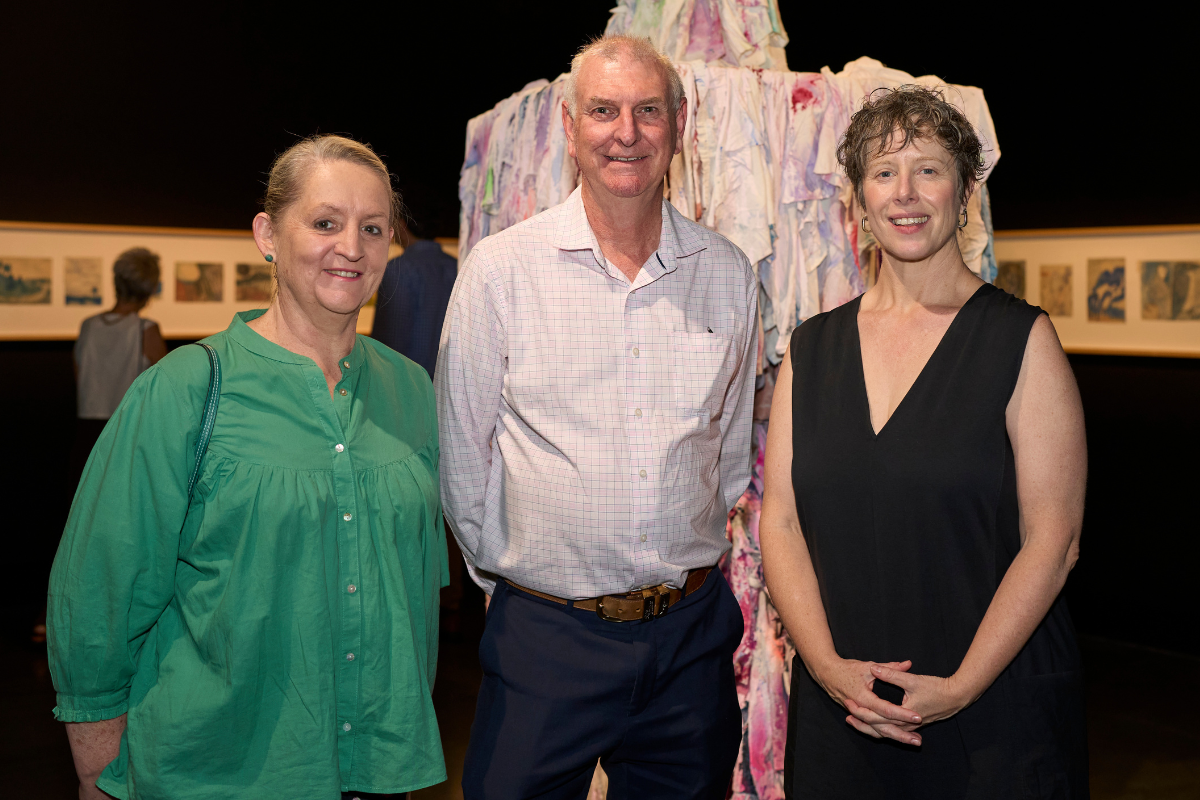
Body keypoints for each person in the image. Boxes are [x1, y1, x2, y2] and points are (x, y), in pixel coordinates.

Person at [47, 134, 448, 800]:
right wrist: (98, 773)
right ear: (267, 234)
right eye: (325, 222)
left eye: (373, 228)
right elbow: (101, 592)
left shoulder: (410, 391)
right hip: (215, 774)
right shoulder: (184, 391)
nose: (351, 246)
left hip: (378, 774)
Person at [436, 34, 756, 800]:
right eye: (605, 111)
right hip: (550, 637)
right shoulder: (501, 272)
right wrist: (528, 584)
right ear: (569, 124)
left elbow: (731, 454)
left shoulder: (728, 273)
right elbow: (461, 458)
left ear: (680, 123)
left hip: (690, 638)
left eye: (649, 111)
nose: (627, 132)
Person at [759, 86, 1089, 798]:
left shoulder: (1022, 341)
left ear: (966, 190)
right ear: (858, 200)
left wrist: (961, 688)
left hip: (990, 718)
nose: (904, 193)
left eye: (929, 169)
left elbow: (1054, 540)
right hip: (843, 711)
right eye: (883, 172)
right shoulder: (811, 350)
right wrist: (825, 668)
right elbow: (780, 520)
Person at [33, 249, 168, 645]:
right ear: (148, 288)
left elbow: (82, 381)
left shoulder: (89, 325)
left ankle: (57, 618)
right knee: (124, 535)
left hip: (85, 437)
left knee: (78, 530)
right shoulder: (146, 329)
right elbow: (164, 394)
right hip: (125, 438)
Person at [370, 215, 457, 379]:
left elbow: (388, 341)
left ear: (402, 226)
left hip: (407, 382)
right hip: (447, 381)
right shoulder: (456, 266)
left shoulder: (399, 269)